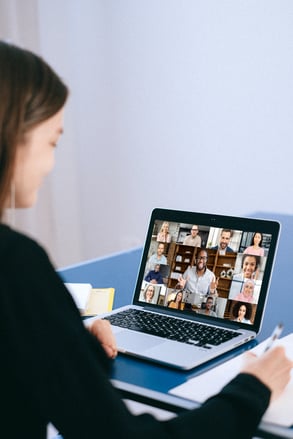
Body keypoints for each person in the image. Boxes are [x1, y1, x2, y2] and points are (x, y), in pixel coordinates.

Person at [1, 41, 292, 439]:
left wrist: (66, 348)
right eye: (52, 142)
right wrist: (252, 388)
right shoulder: (16, 265)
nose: (52, 164)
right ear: (13, 134)